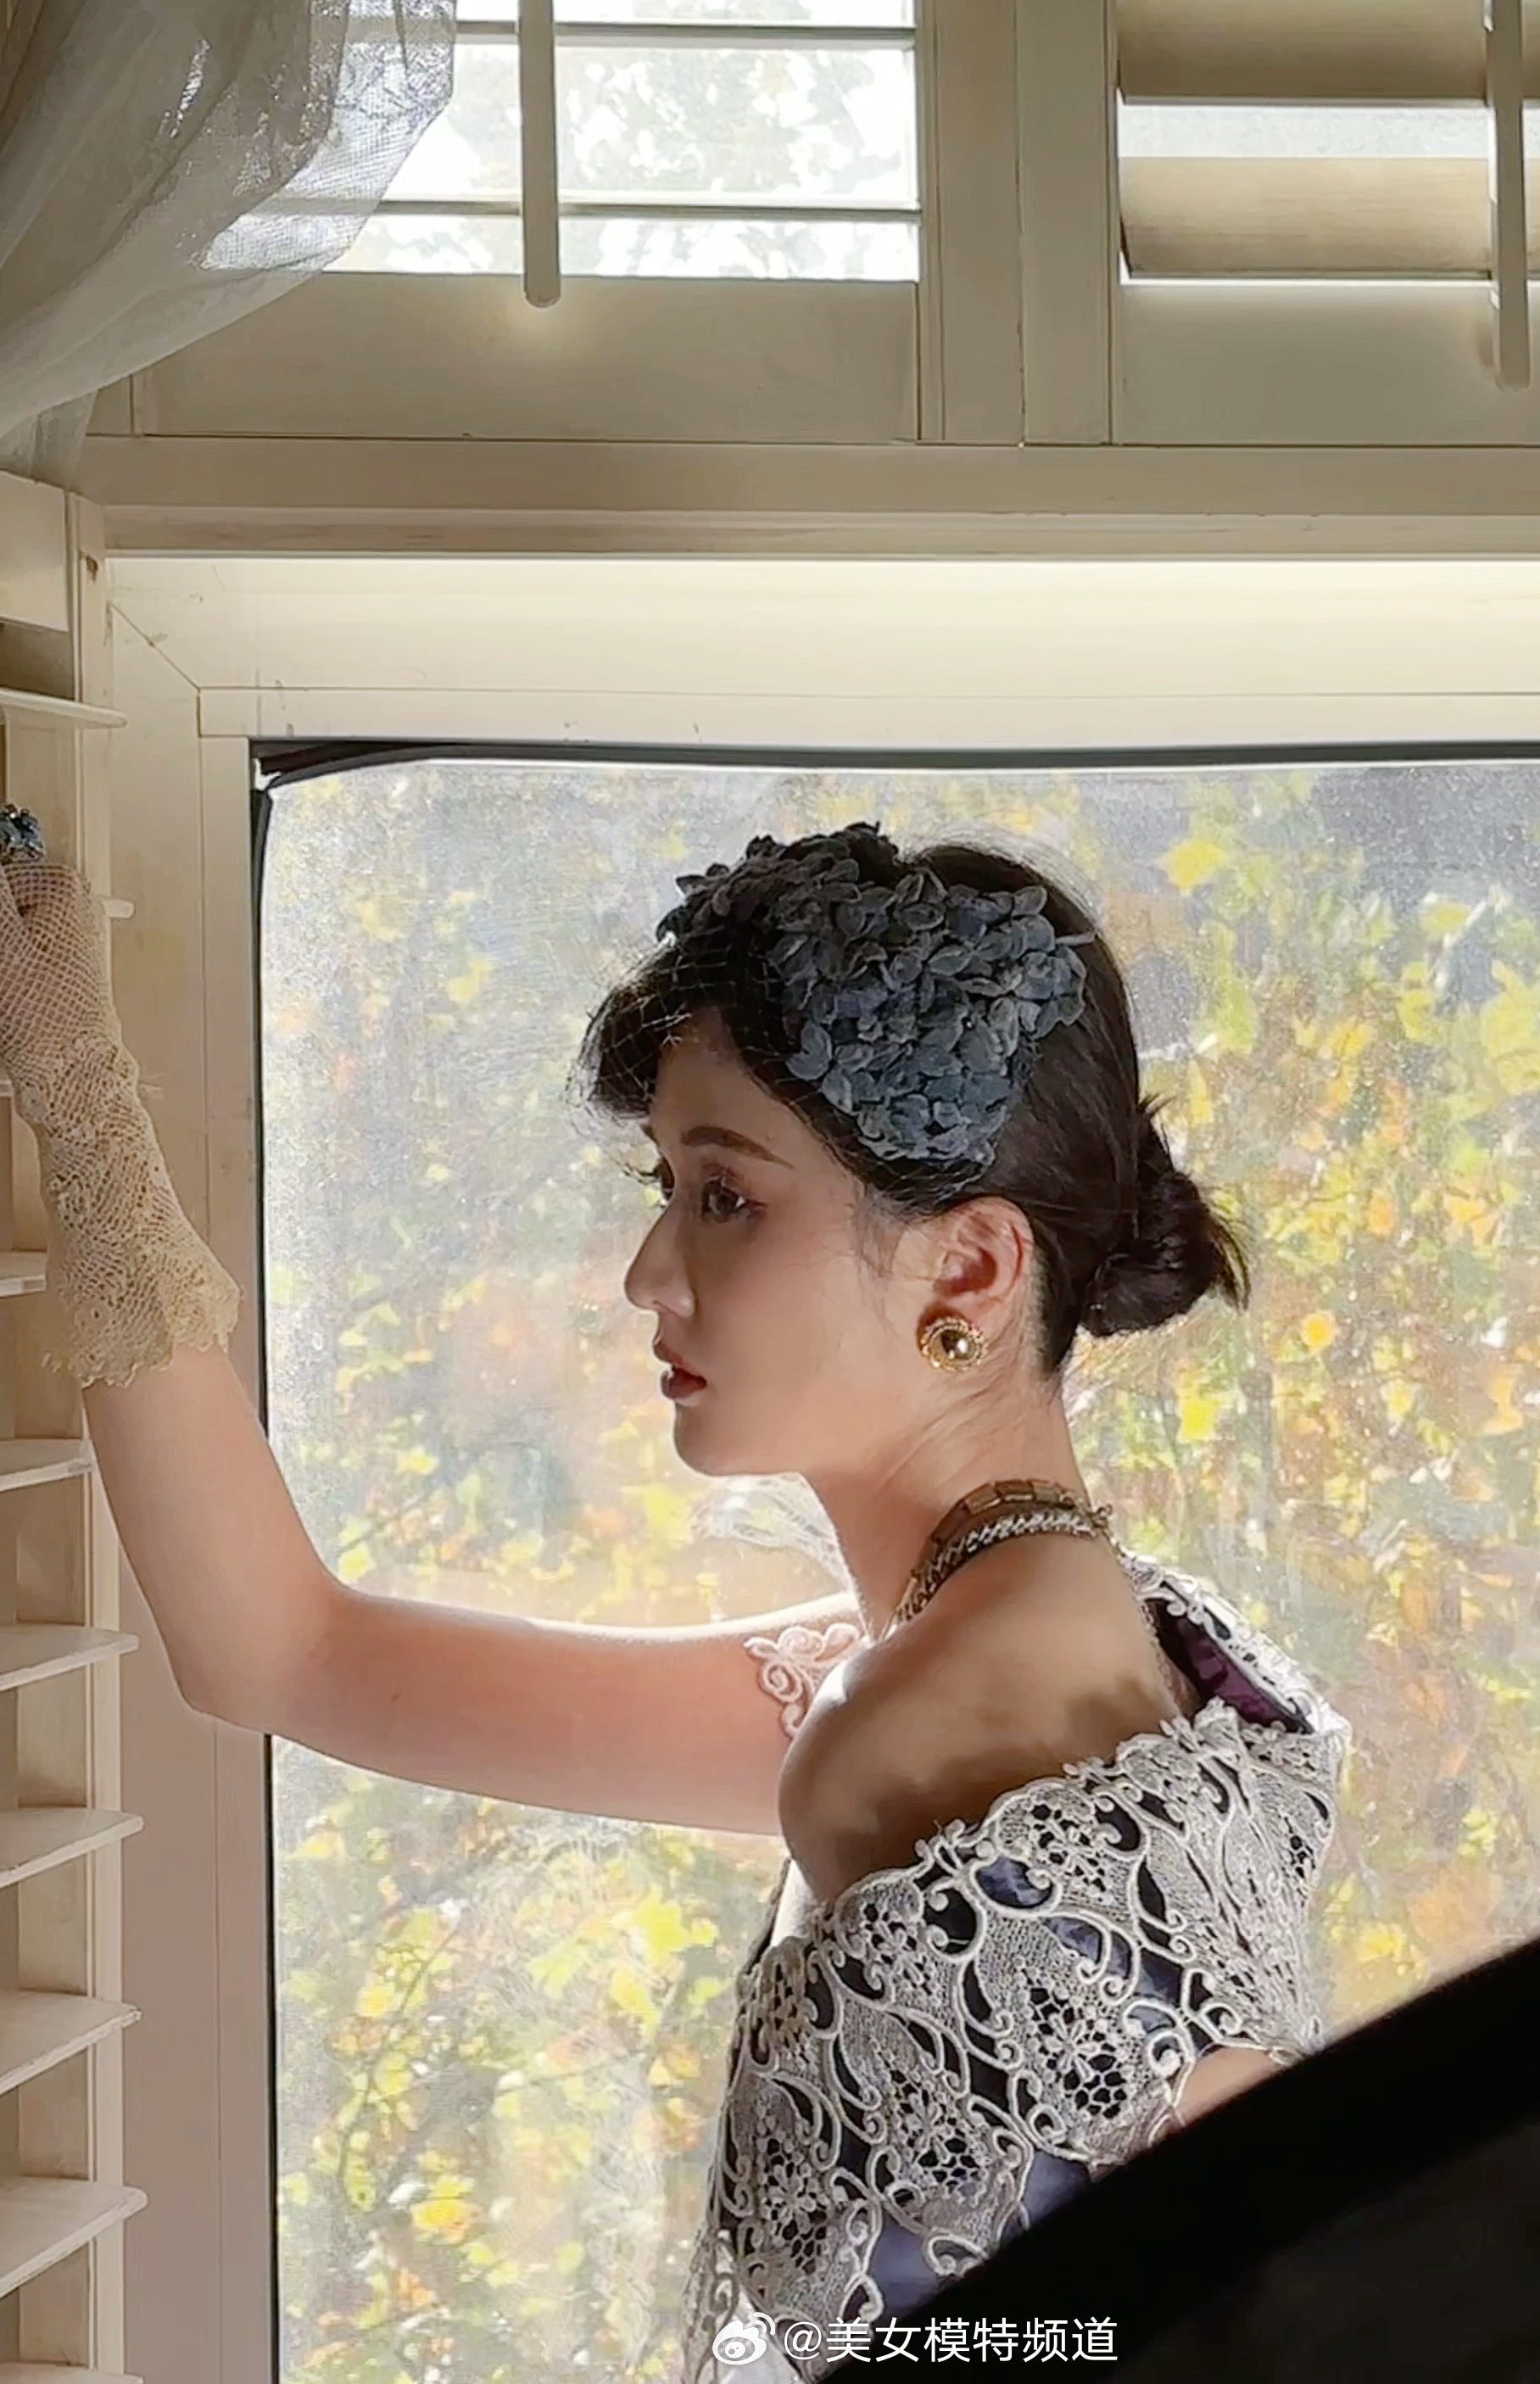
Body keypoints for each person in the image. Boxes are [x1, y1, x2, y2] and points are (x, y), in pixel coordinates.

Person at [0, 813, 1348, 2383]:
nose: (650, 1270)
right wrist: (74, 1088)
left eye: (727, 1196)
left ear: (969, 1274)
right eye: (669, 1183)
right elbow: (287, 1655)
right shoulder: (1041, 1640)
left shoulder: (928, 1723)